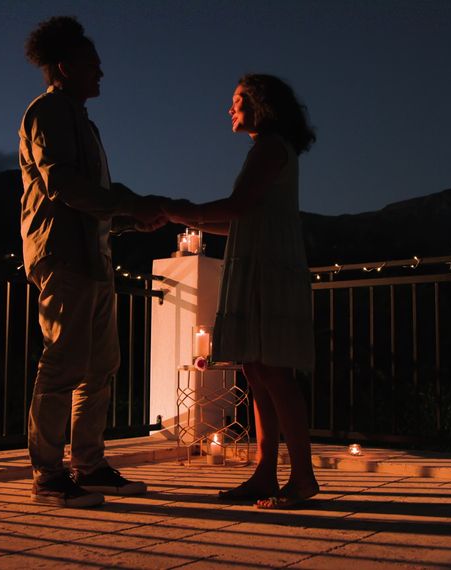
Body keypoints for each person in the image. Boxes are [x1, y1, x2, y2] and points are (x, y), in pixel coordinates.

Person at [19, 16, 166, 508]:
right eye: (92, 65)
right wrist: (129, 206)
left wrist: (129, 218)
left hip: (95, 258)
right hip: (63, 257)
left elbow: (94, 200)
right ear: (65, 67)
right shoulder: (48, 112)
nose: (101, 73)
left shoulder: (82, 121)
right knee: (63, 364)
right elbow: (62, 185)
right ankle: (48, 475)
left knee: (101, 365)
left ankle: (90, 465)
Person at [163, 74, 319, 509]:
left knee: (273, 371)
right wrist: (182, 216)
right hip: (259, 260)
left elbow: (235, 208)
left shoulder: (270, 147)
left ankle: (302, 477)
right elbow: (239, 220)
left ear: (261, 105)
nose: (229, 109)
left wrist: (177, 209)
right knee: (256, 369)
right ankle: (265, 473)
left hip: (266, 267)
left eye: (238, 101)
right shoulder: (268, 148)